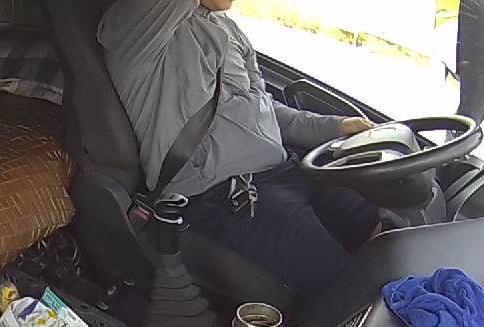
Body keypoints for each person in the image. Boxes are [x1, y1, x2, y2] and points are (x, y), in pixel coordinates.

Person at [98, 0, 382, 296]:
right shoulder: (135, 25)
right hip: (226, 194)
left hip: (286, 170)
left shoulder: (227, 27)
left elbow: (262, 106)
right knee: (348, 287)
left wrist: (335, 127)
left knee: (376, 225)